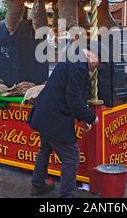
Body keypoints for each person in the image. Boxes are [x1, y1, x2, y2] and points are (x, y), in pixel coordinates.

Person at [27, 41, 105, 198]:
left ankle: (37, 185)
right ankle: (66, 196)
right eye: (98, 63)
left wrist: (83, 119)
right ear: (92, 54)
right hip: (54, 116)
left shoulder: (73, 59)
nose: (96, 67)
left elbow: (69, 94)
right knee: (71, 156)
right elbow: (73, 99)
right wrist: (91, 117)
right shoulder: (79, 67)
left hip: (45, 111)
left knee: (45, 149)